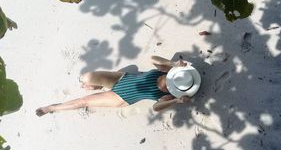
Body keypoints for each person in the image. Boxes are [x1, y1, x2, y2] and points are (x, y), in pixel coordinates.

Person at [36, 56, 201, 116]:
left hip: (121, 97)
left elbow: (157, 108)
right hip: (121, 78)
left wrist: (176, 102)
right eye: (170, 78)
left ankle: (51, 108)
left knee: (84, 101)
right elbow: (153, 59)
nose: (168, 82)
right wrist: (174, 63)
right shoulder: (169, 70)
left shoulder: (168, 96)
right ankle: (97, 85)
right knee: (86, 77)